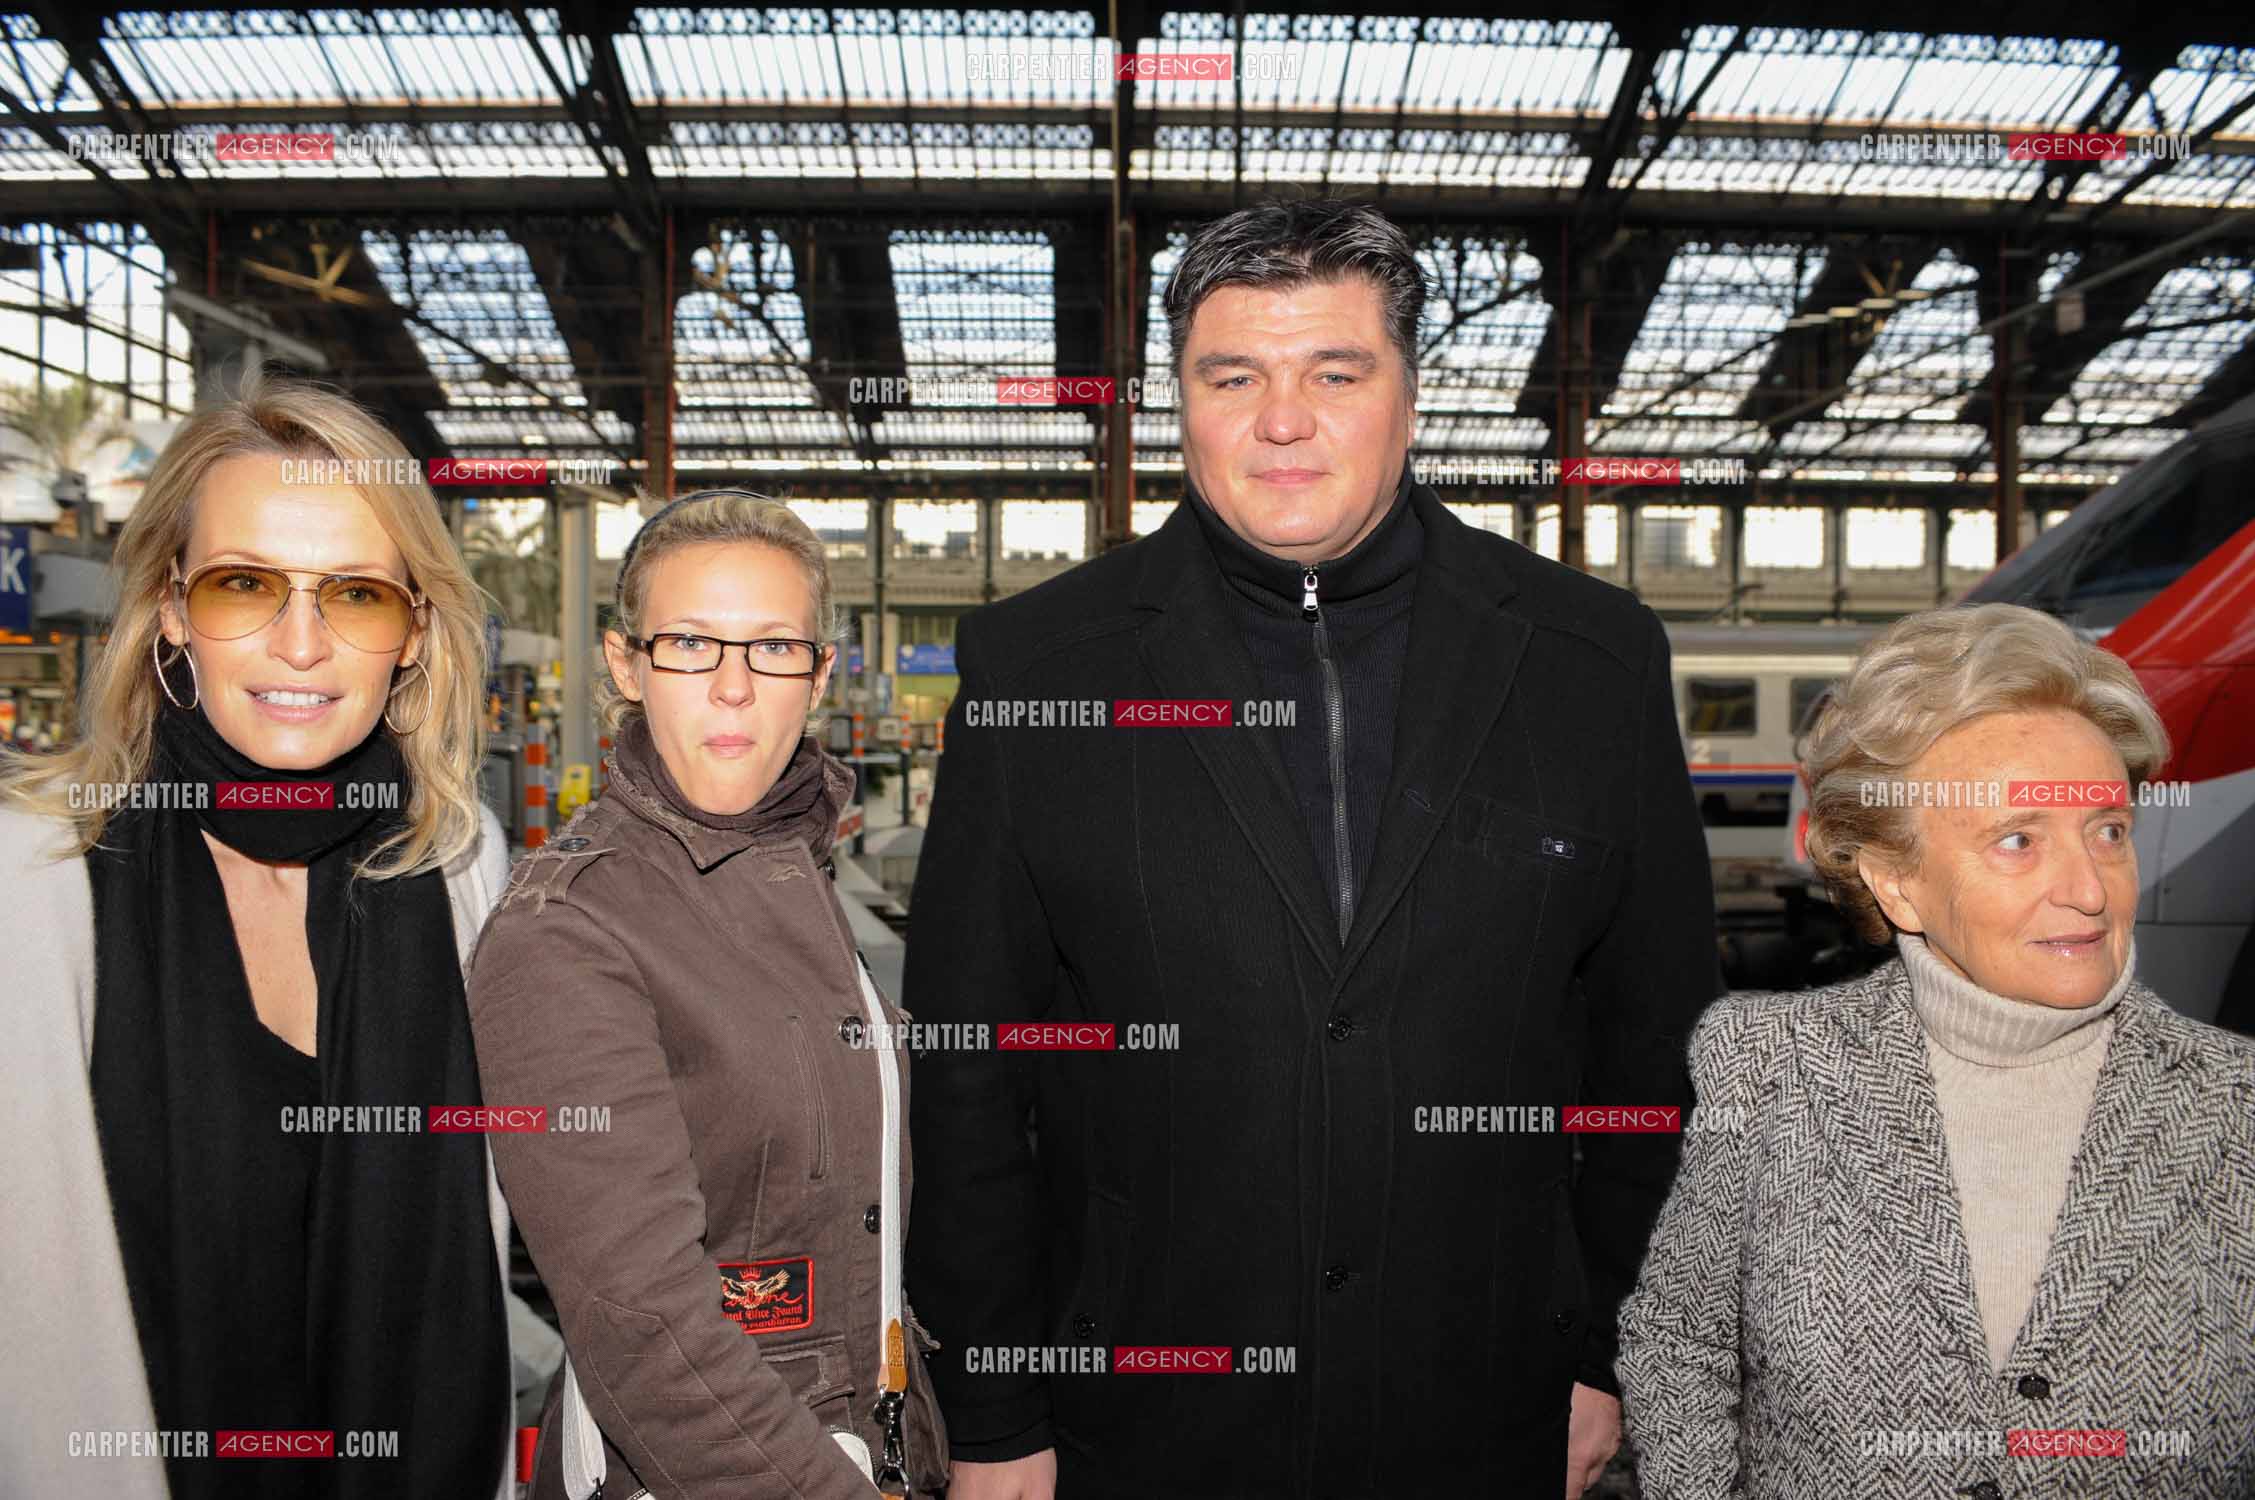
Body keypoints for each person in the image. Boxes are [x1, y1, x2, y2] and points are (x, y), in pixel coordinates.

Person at [904, 199, 1720, 1499]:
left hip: (1484, 1400)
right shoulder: (1038, 666)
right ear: (1179, 402)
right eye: (1233, 377)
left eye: (1333, 372)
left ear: (1407, 396)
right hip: (1143, 1415)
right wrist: (992, 1411)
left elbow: (1656, 1051)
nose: (1281, 419)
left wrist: (1606, 1348)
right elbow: (965, 1077)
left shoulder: (1590, 664)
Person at [0, 371, 517, 1500]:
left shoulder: (460, 864)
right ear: (172, 607)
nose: (299, 644)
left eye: (357, 595)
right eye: (246, 585)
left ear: (417, 631)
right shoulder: (32, 882)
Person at [1617, 602, 2255, 1499]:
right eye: (2018, 841)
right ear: (1896, 883)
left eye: (2107, 832)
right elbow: (1680, 1338)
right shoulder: (1766, 1067)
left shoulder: (2234, 1107)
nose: (2086, 889)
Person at [468, 491, 949, 1500]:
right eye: (690, 643)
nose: (733, 687)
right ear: (625, 664)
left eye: (773, 647)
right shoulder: (569, 928)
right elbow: (646, 1330)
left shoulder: (790, 868)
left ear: (819, 673)